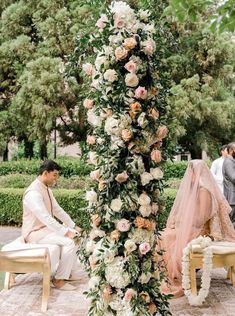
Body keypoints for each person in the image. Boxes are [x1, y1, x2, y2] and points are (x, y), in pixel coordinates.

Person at [159, 160, 235, 297]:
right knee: (164, 235)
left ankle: (175, 276)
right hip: (192, 229)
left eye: (191, 172)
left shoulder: (204, 191)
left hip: (201, 232)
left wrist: (182, 221)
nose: (188, 175)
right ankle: (161, 276)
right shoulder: (194, 190)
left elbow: (200, 219)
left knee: (166, 238)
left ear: (197, 173)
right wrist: (177, 221)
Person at [22, 160, 82, 291]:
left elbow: (57, 210)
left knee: (77, 235)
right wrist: (66, 232)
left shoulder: (46, 189)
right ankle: (58, 280)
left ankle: (67, 273)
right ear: (45, 173)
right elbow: (45, 217)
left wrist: (73, 226)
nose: (56, 178)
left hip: (46, 230)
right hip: (34, 233)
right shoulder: (33, 193)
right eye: (54, 175)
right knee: (70, 241)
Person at [222, 142, 235, 228]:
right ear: (232, 150)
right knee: (232, 219)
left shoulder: (232, 161)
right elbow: (234, 178)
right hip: (232, 196)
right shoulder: (228, 162)